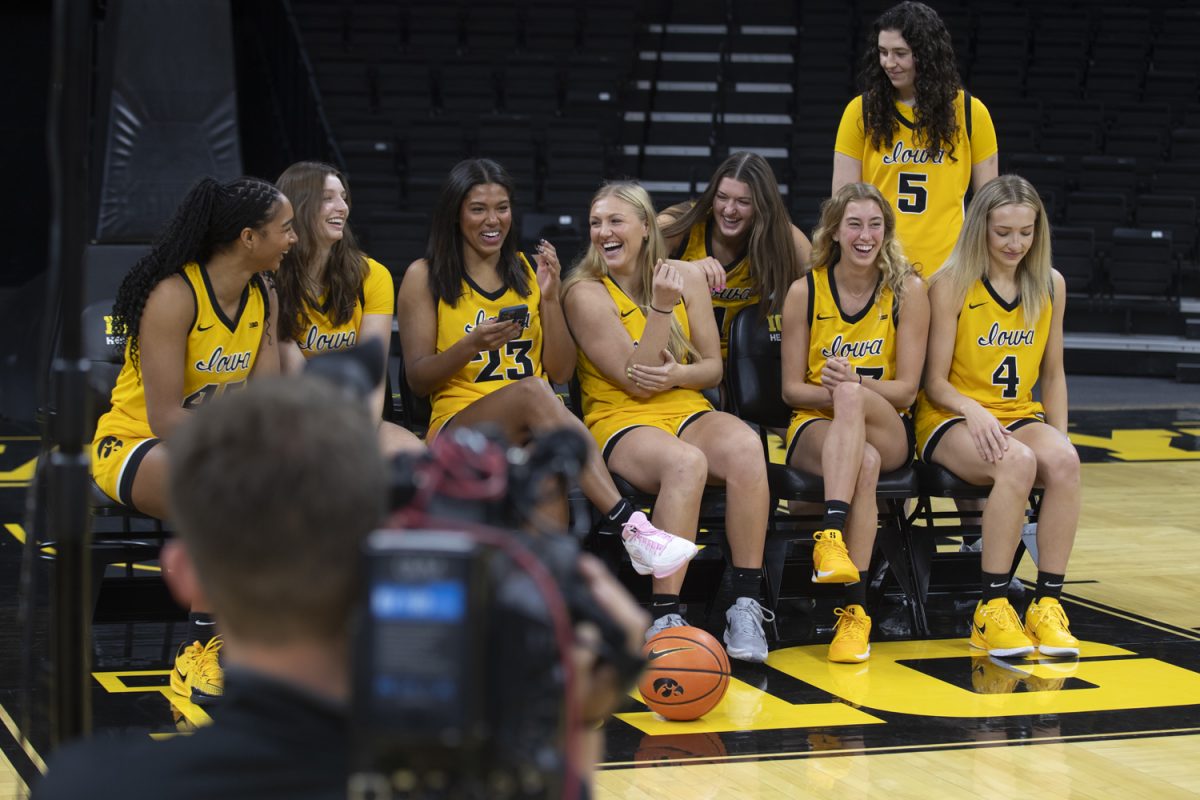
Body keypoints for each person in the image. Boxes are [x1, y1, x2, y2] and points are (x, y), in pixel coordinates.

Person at [38, 376, 651, 799]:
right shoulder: (475, 783)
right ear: (379, 564)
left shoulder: (88, 787)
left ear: (184, 574)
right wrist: (567, 724)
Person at [395, 158, 697, 578]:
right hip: (459, 431)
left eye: (501, 207)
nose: (493, 220)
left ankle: (544, 601)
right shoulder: (423, 276)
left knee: (549, 469)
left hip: (533, 424)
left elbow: (560, 370)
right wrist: (470, 345)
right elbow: (417, 378)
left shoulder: (523, 268)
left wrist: (551, 299)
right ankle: (629, 523)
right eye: (478, 208)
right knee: (533, 391)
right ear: (455, 214)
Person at [90, 175, 293, 705]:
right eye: (285, 229)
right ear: (249, 238)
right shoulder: (175, 295)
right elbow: (163, 418)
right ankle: (197, 652)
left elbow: (264, 402)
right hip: (134, 445)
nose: (293, 239)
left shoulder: (263, 293)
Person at [561, 181, 774, 663]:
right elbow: (636, 380)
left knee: (745, 447)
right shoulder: (583, 291)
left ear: (643, 227)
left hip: (685, 406)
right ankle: (666, 615)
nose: (603, 232)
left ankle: (745, 602)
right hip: (620, 417)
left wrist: (680, 374)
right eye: (596, 223)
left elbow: (712, 369)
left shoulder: (686, 276)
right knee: (685, 463)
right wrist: (660, 307)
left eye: (615, 221)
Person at [915, 175, 1080, 659]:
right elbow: (934, 382)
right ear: (981, 228)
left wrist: (1061, 443)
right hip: (950, 416)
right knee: (1016, 462)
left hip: (1018, 413)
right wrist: (974, 410)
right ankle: (991, 607)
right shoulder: (950, 283)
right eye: (1003, 232)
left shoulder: (1050, 284)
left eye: (1026, 232)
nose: (1015, 243)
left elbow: (1054, 374)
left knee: (1064, 463)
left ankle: (1047, 603)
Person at [781, 183, 928, 663]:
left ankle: (830, 533)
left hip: (887, 426)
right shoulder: (805, 291)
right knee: (860, 459)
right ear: (835, 232)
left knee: (851, 396)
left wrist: (853, 386)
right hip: (817, 426)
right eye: (854, 224)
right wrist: (837, 392)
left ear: (886, 232)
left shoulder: (907, 290)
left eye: (875, 224)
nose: (865, 235)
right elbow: (790, 391)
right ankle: (855, 615)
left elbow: (907, 389)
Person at [832, 1, 998, 276]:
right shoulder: (860, 112)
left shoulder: (971, 113)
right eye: (883, 52)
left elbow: (990, 206)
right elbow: (842, 201)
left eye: (900, 53)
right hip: (878, 267)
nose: (889, 63)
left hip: (949, 271)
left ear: (927, 54)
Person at [274, 160, 423, 454]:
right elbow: (298, 379)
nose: (341, 207)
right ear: (297, 206)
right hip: (294, 417)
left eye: (343, 197)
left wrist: (358, 433)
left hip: (359, 415)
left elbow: (373, 374)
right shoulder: (271, 278)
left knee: (417, 460)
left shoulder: (372, 275)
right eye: (328, 198)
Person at [659, 151, 812, 359]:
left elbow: (824, 292)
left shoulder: (784, 237)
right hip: (682, 354)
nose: (729, 210)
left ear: (762, 205)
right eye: (721, 197)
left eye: (743, 201)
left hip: (747, 358)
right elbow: (631, 271)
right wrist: (687, 270)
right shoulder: (678, 225)